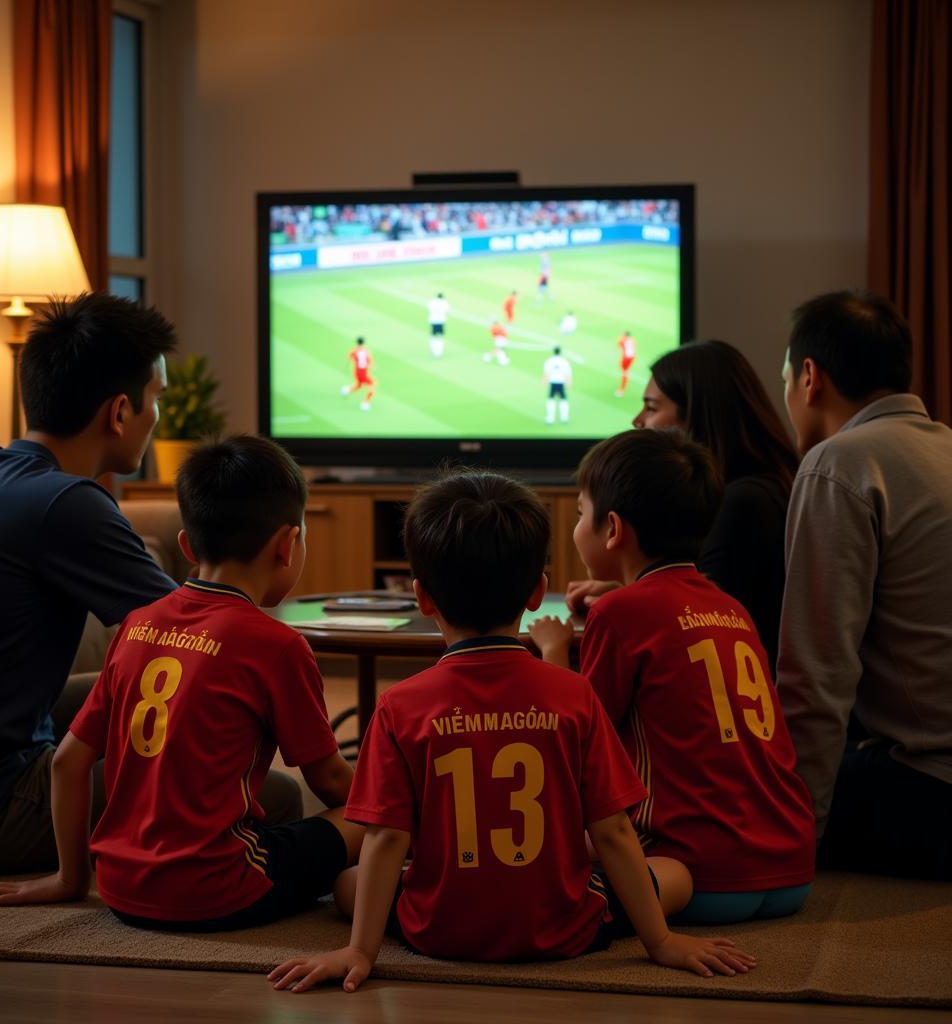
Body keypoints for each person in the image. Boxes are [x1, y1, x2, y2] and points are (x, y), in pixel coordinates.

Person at [269, 470, 755, 993]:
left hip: (438, 930)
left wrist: (360, 950)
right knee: (676, 876)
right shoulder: (575, 695)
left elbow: (387, 837)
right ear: (537, 593)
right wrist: (659, 942)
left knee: (348, 884)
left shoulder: (397, 705)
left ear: (422, 597)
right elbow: (612, 831)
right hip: (565, 929)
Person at [0, 435, 364, 927]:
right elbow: (330, 779)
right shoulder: (279, 645)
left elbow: (68, 762)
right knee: (374, 817)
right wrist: (396, 808)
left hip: (118, 887)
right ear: (288, 546)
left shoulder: (137, 624)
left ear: (185, 544)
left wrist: (70, 879)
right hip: (218, 889)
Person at [0, 293, 179, 875]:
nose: (157, 415)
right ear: (119, 412)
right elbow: (198, 632)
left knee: (111, 694)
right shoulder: (66, 502)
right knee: (275, 798)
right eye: (157, 400)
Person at [531, 430, 815, 923]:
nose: (577, 525)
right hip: (793, 870)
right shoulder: (731, 607)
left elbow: (581, 733)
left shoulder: (621, 611)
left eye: (580, 512)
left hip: (697, 877)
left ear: (613, 528)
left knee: (540, 883)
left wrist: (554, 651)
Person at [778, 290, 952, 880]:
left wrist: (799, 841)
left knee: (725, 801)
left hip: (930, 788)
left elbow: (817, 673)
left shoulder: (840, 463)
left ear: (809, 377)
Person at [567, 339, 798, 670]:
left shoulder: (745, 501)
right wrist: (628, 590)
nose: (637, 420)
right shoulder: (761, 487)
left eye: (651, 407)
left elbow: (696, 620)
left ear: (697, 416)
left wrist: (627, 604)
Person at [342, 337, 375, 410]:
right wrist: (373, 368)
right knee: (372, 386)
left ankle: (346, 391)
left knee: (359, 385)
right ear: (363, 343)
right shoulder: (366, 352)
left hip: (356, 372)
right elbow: (370, 363)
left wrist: (345, 367)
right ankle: (365, 403)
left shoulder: (354, 351)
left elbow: (348, 360)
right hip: (363, 373)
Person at [543, 345, 572, 424]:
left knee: (551, 400)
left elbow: (547, 372)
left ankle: (550, 418)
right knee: (563, 400)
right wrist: (568, 383)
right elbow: (568, 373)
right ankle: (564, 418)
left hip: (553, 382)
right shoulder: (564, 361)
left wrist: (544, 381)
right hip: (561, 382)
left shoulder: (550, 361)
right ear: (560, 352)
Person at [426, 293, 450, 358]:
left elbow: (428, 307)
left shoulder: (432, 301)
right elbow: (447, 311)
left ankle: (434, 349)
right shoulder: (444, 303)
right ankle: (438, 352)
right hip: (441, 321)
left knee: (433, 336)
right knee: (440, 337)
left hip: (433, 321)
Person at [615, 330, 636, 397]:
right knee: (624, 369)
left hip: (626, 359)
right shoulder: (632, 340)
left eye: (623, 335)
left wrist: (621, 339)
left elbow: (619, 345)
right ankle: (627, 374)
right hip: (632, 357)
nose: (622, 336)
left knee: (624, 373)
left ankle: (621, 390)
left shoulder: (623, 341)